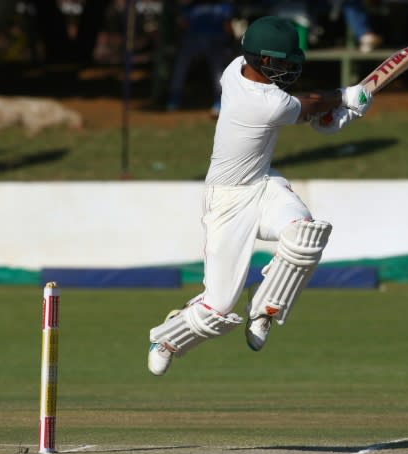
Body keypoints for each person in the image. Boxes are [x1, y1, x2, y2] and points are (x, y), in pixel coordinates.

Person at [147, 15, 373, 376]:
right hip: (228, 201)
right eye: (284, 61)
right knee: (217, 307)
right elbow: (304, 107)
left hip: (262, 184)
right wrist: (343, 100)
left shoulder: (236, 69)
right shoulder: (264, 104)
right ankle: (167, 338)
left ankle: (265, 308)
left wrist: (331, 112)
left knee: (305, 233)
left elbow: (304, 107)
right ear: (264, 60)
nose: (291, 67)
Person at [166, 1, 236, 116]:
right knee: (217, 72)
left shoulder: (194, 6)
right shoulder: (222, 6)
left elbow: (184, 24)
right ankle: (218, 103)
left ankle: (174, 99)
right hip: (204, 40)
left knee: (215, 71)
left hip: (207, 41)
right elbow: (228, 27)